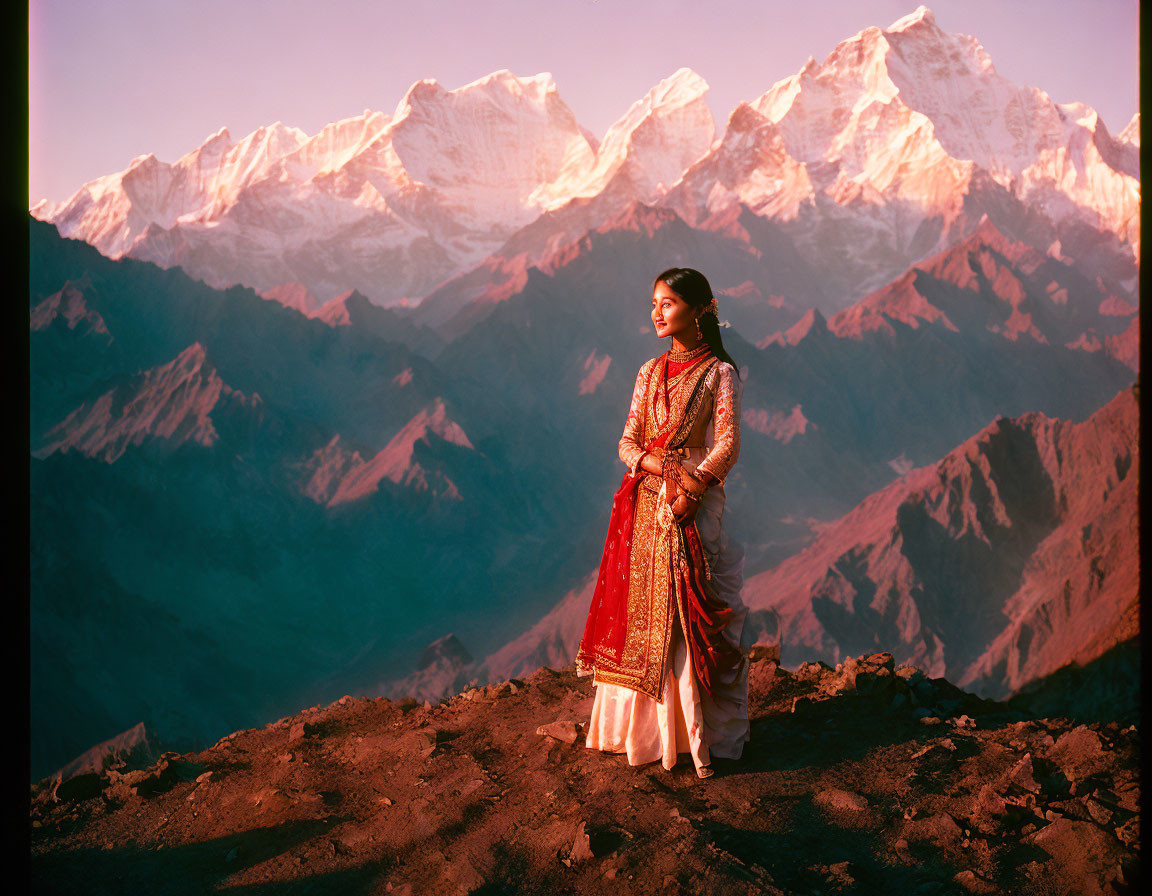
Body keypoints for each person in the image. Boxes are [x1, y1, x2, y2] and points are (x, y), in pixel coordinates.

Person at [576, 267, 750, 779]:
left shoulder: (720, 373)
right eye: (654, 302)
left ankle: (694, 736)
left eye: (668, 303)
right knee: (644, 612)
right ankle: (643, 734)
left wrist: (692, 489)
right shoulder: (648, 372)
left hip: (697, 502)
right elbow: (627, 442)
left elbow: (728, 446)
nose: (656, 312)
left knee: (687, 610)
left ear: (699, 310)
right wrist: (663, 470)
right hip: (647, 502)